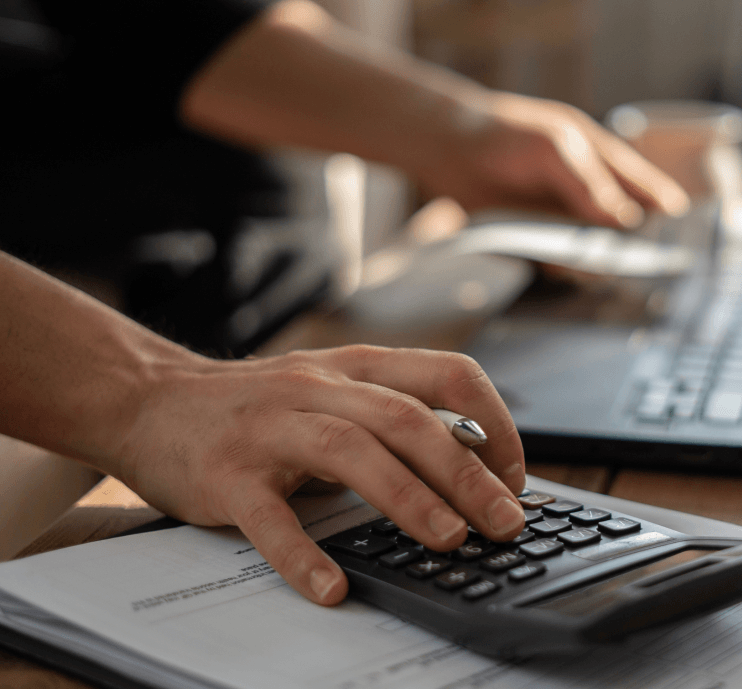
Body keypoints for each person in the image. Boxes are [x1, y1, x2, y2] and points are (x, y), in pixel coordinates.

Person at [0, 0, 687, 605]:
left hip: (270, 346)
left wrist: (462, 134)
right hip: (106, 374)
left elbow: (164, 22)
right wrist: (145, 394)